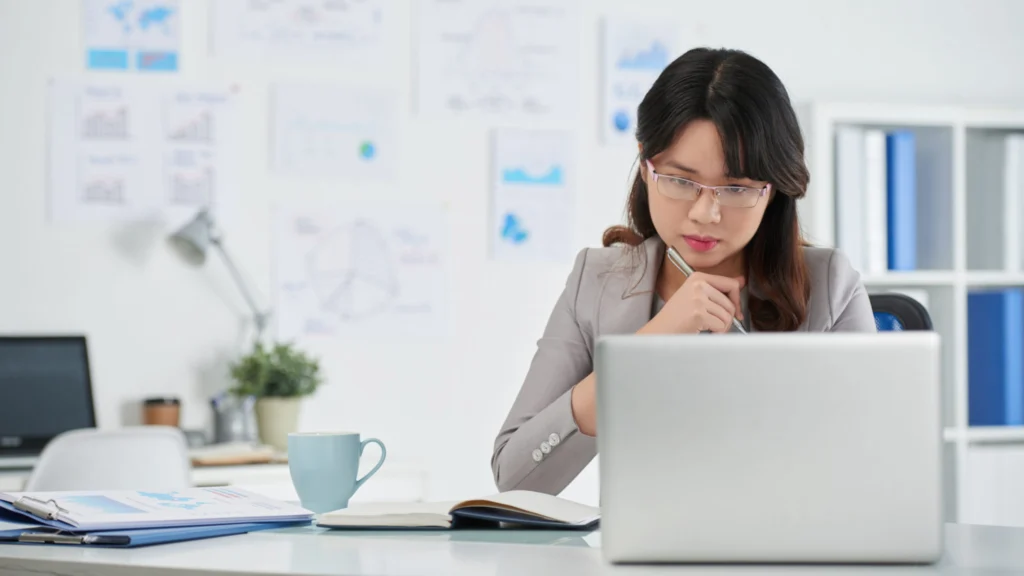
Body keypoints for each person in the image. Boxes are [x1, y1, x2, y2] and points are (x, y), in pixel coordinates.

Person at [491, 47, 877, 496]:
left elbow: (874, 471)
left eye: (735, 188)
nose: (705, 212)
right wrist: (644, 350)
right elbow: (515, 477)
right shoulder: (595, 283)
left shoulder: (830, 285)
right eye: (680, 180)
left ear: (772, 191)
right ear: (645, 164)